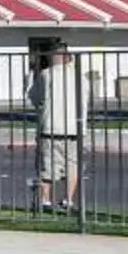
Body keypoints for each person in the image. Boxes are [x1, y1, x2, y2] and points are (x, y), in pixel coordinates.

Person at [32, 43, 87, 214]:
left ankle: (45, 200)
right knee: (72, 166)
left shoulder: (46, 75)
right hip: (75, 129)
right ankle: (68, 200)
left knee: (47, 166)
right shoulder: (81, 77)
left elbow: (35, 98)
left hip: (51, 128)